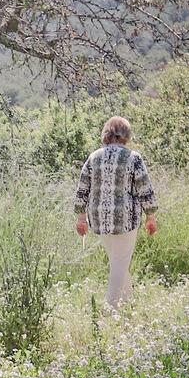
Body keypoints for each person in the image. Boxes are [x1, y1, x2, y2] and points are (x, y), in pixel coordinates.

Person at [74, 117, 158, 310]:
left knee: (118, 261)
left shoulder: (94, 157)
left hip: (99, 219)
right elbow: (145, 189)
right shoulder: (133, 158)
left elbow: (82, 188)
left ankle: (128, 303)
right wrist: (150, 215)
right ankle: (110, 309)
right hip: (125, 219)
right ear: (126, 135)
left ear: (106, 134)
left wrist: (81, 217)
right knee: (119, 263)